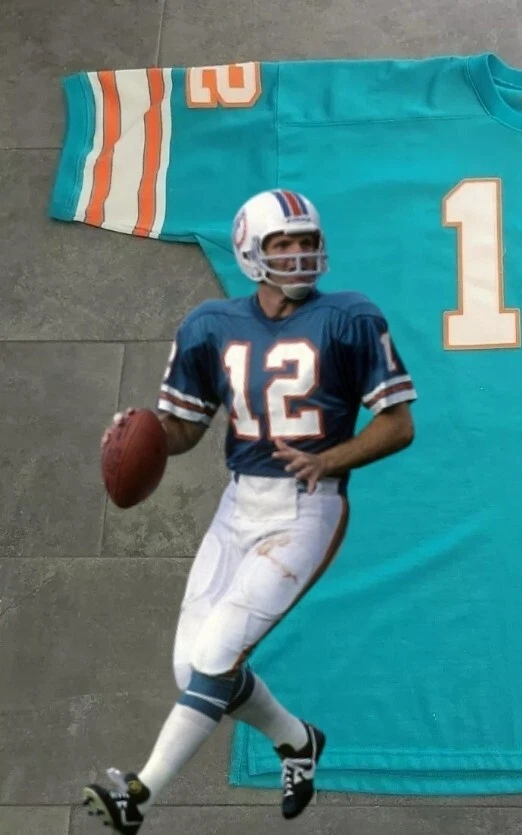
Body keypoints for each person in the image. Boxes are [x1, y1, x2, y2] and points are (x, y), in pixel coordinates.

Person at [82, 189, 418, 834]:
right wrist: (138, 435)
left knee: (214, 656)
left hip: (308, 506)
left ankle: (138, 796)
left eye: (306, 241)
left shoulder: (350, 317)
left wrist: (331, 458)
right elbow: (184, 429)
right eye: (282, 243)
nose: (299, 254)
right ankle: (299, 741)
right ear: (249, 252)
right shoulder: (211, 325)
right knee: (192, 668)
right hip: (239, 502)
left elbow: (398, 424)